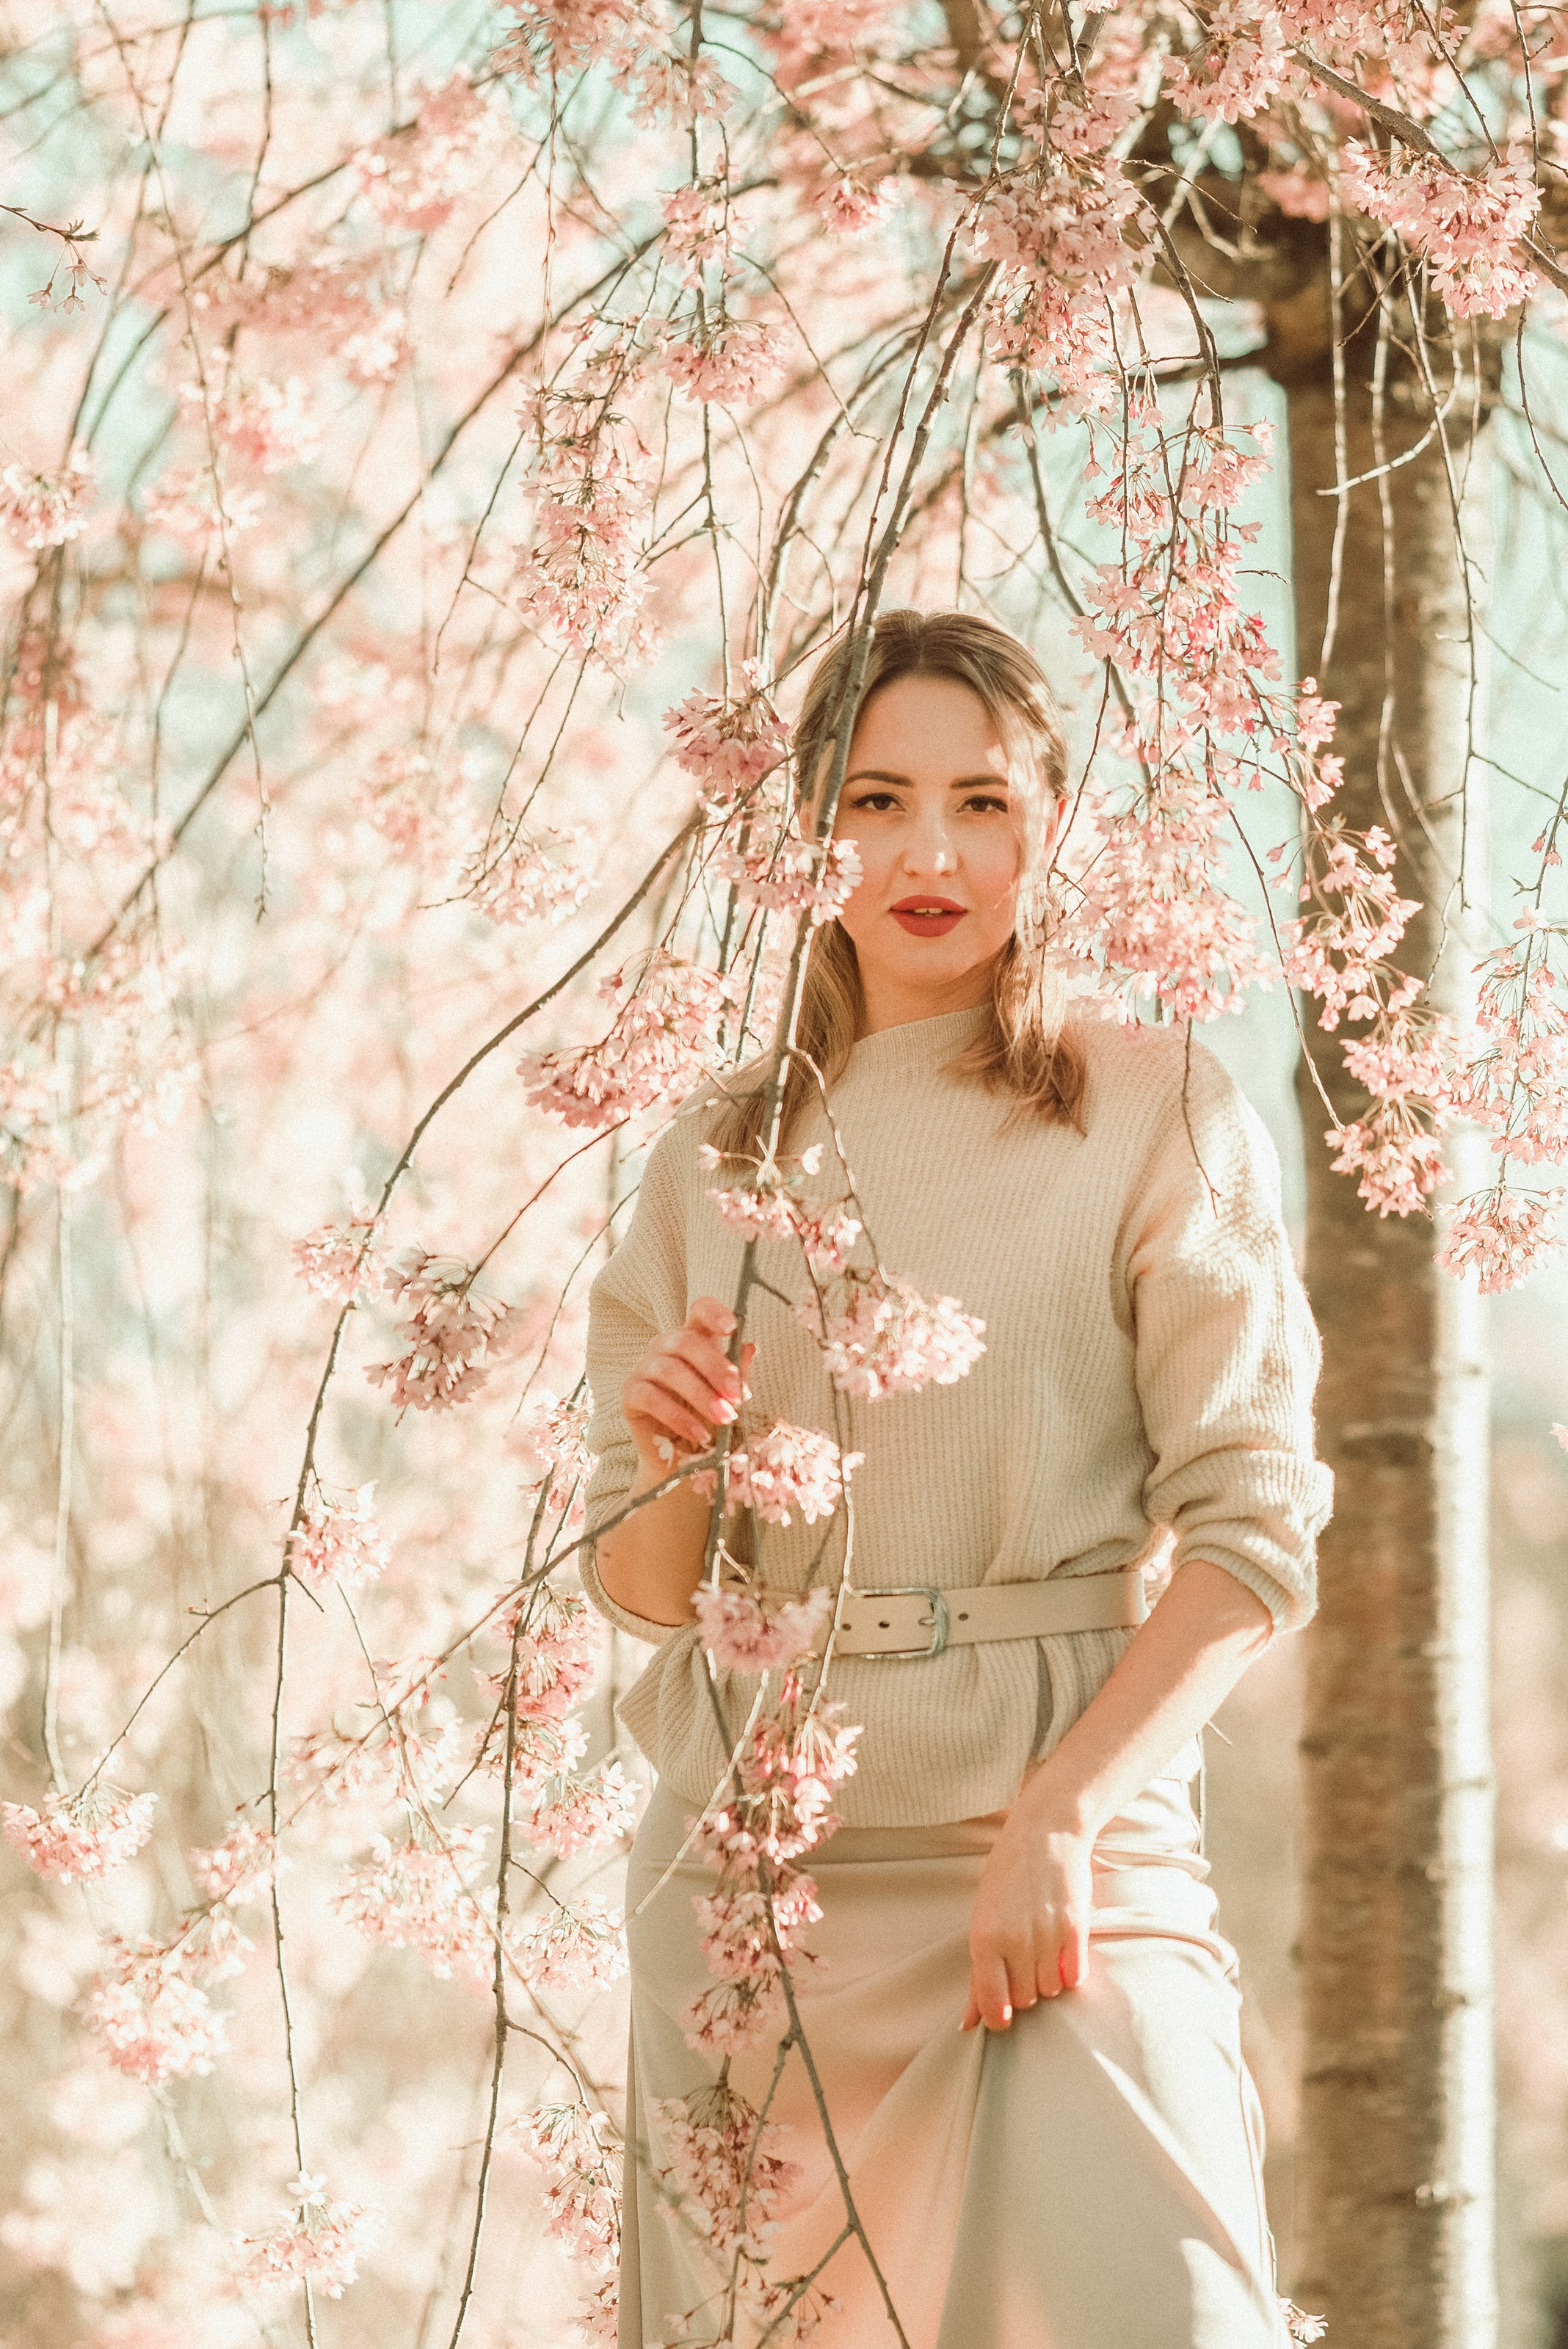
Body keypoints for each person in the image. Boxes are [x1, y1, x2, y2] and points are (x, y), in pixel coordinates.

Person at [581, 608, 1332, 2349]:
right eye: (873, 798)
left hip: (1065, 1859)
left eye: (983, 802)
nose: (929, 853)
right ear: (804, 834)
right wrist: (669, 1461)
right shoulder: (717, 1152)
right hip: (766, 1894)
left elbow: (1253, 1533)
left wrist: (1060, 1815)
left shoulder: (1157, 1109)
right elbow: (646, 1592)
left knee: (1177, 2315)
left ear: (1051, 823)